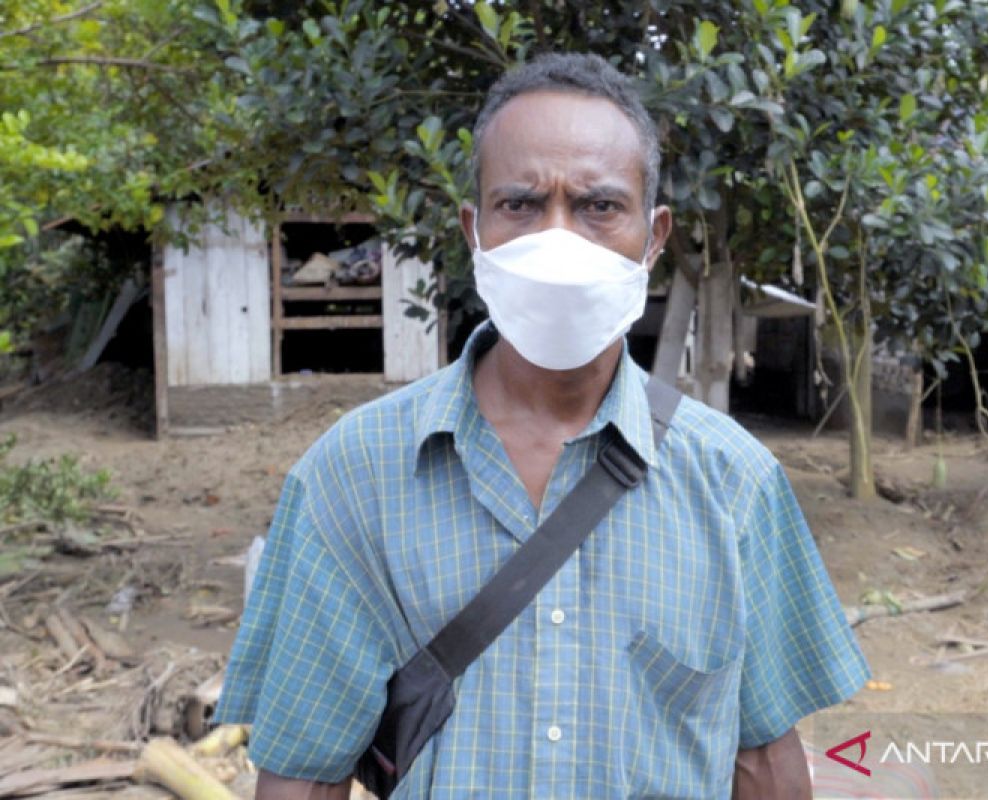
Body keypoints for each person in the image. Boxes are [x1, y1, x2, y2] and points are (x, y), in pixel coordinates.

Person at [215, 52, 869, 800]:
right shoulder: (351, 477)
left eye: (599, 206)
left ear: (654, 237)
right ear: (475, 230)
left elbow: (764, 763)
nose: (559, 239)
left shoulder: (735, 482)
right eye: (521, 204)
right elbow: (305, 777)